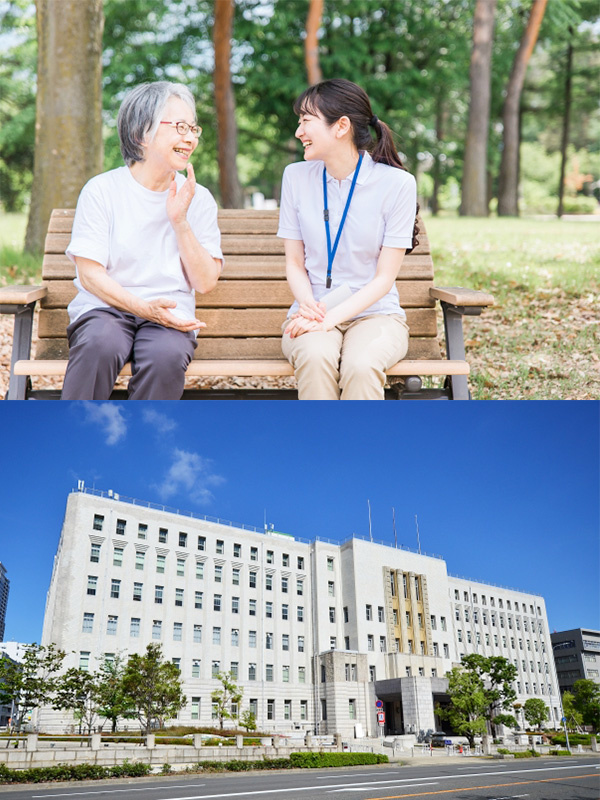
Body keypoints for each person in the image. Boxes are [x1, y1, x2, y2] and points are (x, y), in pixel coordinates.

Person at [61, 81, 223, 400]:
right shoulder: (102, 190)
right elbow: (90, 275)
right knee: (99, 344)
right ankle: (74, 443)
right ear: (140, 135)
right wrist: (145, 308)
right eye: (179, 127)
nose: (190, 137)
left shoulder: (198, 198)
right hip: (104, 307)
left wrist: (180, 222)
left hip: (171, 312)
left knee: (166, 357)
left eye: (193, 128)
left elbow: (205, 282)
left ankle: (143, 447)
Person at [278, 79, 418, 400]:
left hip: (377, 313)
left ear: (341, 126)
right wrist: (309, 308)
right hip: (311, 312)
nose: (298, 131)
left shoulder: (397, 184)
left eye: (306, 121)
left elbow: (384, 280)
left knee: (361, 364)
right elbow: (294, 263)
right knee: (314, 357)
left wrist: (329, 320)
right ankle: (320, 449)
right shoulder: (295, 177)